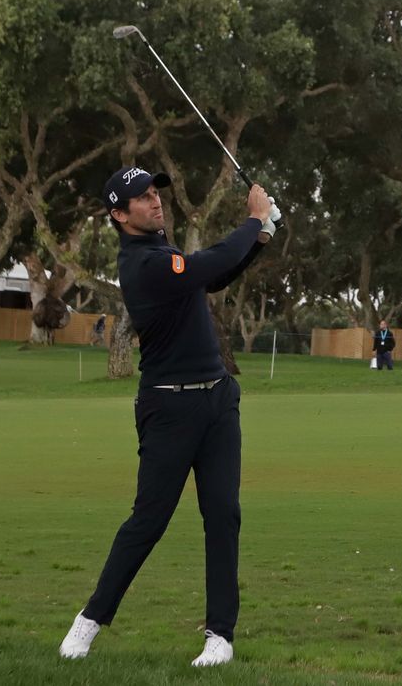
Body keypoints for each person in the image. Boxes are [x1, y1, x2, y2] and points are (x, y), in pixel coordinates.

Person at [59, 165, 274, 668]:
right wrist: (252, 220)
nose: (156, 201)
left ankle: (220, 637)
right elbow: (205, 265)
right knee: (149, 520)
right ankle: (89, 621)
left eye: (156, 193)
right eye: (143, 197)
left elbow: (212, 278)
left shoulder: (162, 251)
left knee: (223, 515)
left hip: (218, 399)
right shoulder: (140, 264)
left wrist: (260, 239)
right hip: (169, 407)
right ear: (119, 215)